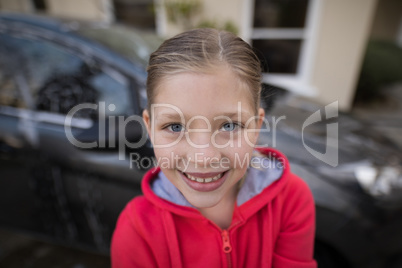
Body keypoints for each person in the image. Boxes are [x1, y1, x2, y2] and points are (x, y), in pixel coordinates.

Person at [111, 28, 316, 268]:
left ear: (257, 126)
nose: (204, 156)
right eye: (175, 126)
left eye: (229, 125)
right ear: (150, 127)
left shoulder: (291, 199)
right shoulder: (138, 229)